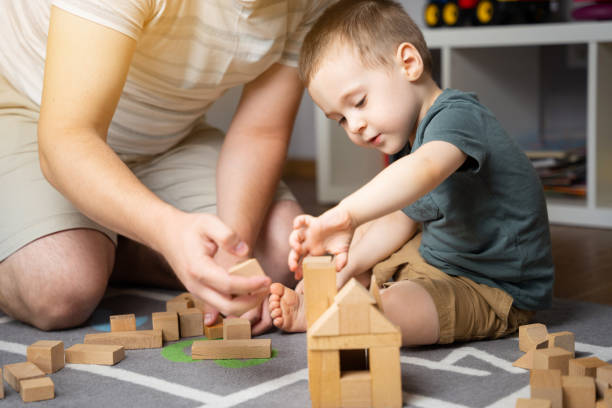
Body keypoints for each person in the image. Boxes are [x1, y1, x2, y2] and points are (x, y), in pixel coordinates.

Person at [0, 0, 334, 332]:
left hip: (166, 137)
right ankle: (98, 240)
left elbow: (260, 131)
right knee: (60, 285)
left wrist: (232, 252)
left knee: (278, 253)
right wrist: (166, 231)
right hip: (32, 109)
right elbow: (67, 138)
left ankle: (112, 239)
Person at [268, 0, 554, 346]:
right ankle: (329, 298)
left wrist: (345, 214)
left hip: (493, 285)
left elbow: (425, 169)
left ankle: (352, 312)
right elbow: (400, 218)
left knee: (393, 306)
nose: (354, 125)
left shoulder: (458, 115)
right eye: (341, 119)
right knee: (367, 233)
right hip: (439, 257)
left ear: (408, 63)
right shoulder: (406, 140)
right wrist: (343, 267)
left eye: (358, 102)